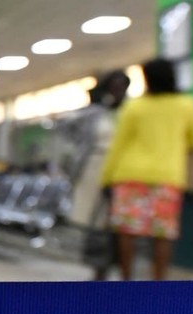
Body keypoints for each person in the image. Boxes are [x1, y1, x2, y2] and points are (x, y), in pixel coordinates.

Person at [101, 58, 193, 281]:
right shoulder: (187, 105)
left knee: (127, 231)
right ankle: (158, 282)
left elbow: (119, 144)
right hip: (168, 176)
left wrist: (106, 178)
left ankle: (127, 280)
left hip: (129, 175)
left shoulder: (135, 106)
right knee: (163, 234)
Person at [73, 70, 131, 280]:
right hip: (96, 172)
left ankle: (125, 272)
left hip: (126, 172)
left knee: (124, 226)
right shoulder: (97, 114)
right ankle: (99, 270)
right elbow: (71, 128)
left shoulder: (133, 111)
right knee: (99, 223)